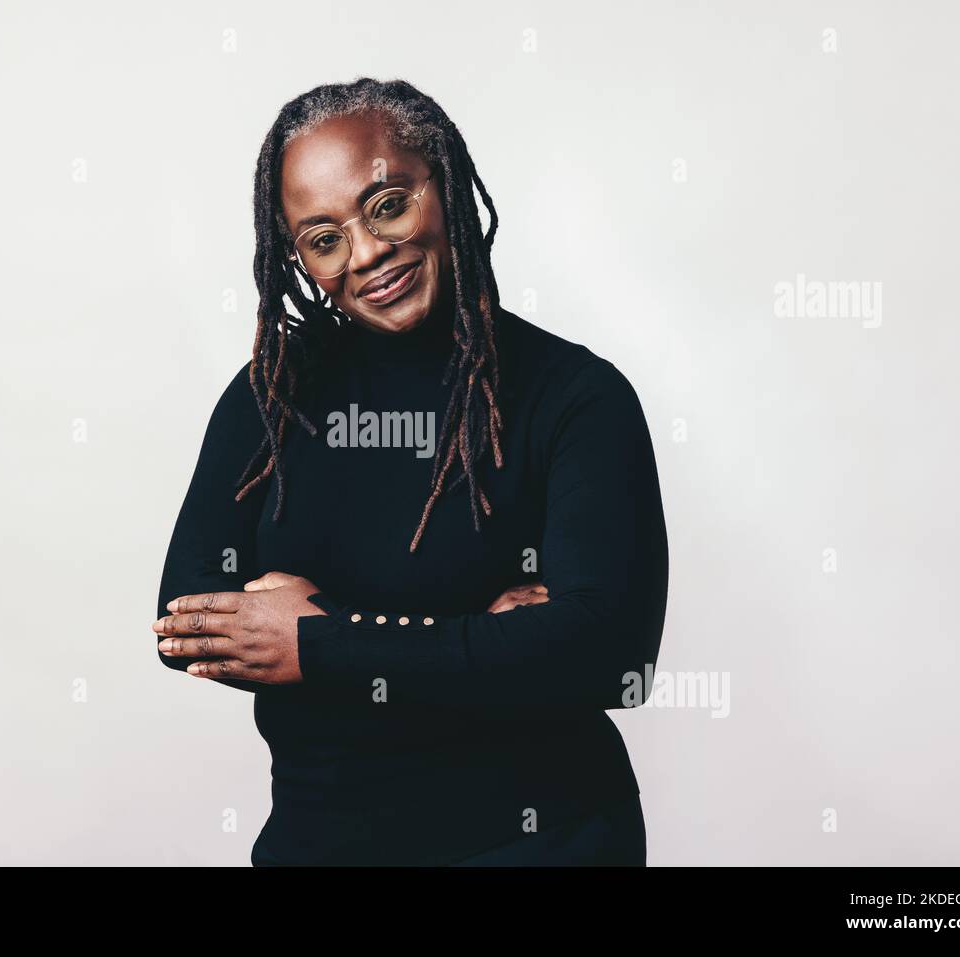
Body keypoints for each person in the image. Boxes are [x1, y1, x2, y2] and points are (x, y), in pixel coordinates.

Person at [152, 77, 669, 866]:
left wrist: (314, 640)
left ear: (445, 186)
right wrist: (490, 642)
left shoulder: (576, 397)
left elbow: (610, 658)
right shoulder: (274, 391)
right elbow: (186, 622)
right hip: (318, 845)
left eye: (388, 205)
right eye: (322, 239)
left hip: (536, 845)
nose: (366, 254)